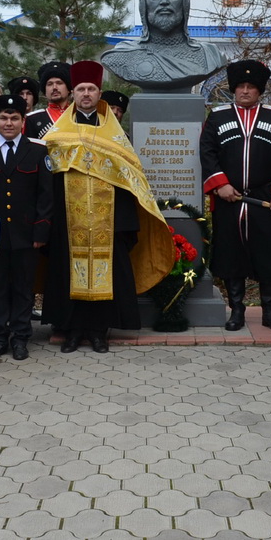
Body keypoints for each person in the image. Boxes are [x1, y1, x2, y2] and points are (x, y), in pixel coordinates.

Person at [44, 61, 173, 351]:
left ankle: (99, 331)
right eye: (81, 89)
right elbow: (48, 179)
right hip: (69, 221)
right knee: (69, 271)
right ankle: (73, 330)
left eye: (91, 89)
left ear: (99, 93)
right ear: (73, 94)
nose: (86, 94)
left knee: (108, 273)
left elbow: (129, 180)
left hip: (108, 219)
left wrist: (125, 224)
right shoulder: (56, 136)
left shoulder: (115, 138)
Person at [199, 59, 271, 332]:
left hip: (265, 199)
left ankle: (269, 310)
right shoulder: (218, 116)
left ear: (260, 91)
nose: (245, 91)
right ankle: (236, 310)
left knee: (267, 254)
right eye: (241, 86)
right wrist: (220, 184)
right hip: (229, 198)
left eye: (251, 87)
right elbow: (207, 152)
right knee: (231, 254)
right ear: (233, 89)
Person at [0, 95, 54, 360]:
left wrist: (41, 231)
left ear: (22, 121)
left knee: (23, 287)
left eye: (14, 118)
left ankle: (20, 338)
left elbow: (45, 196)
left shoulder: (38, 151)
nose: (8, 123)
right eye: (3, 117)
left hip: (26, 234)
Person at [100, 0, 224, 91]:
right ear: (143, 3)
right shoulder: (123, 54)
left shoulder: (210, 56)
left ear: (184, 2)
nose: (164, 1)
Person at [25, 61, 73, 138]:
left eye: (59, 83)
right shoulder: (33, 119)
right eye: (49, 84)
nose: (54, 87)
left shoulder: (78, 115)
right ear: (45, 92)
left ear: (68, 89)